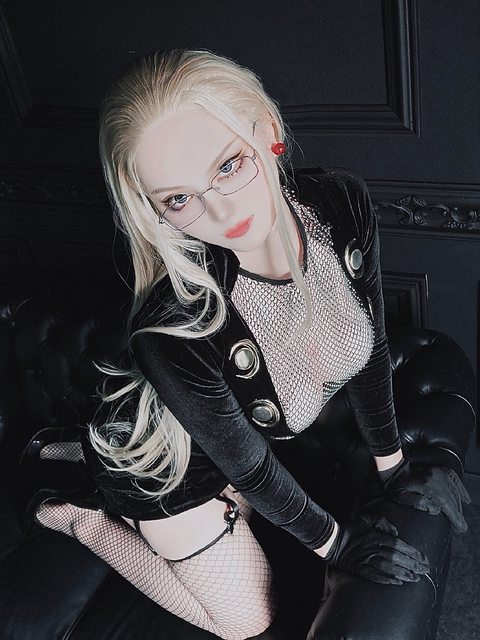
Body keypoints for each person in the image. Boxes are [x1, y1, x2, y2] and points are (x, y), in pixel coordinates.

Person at [25, 48, 470, 640]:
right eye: (178, 199)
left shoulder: (340, 203)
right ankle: (75, 512)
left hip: (225, 436)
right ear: (152, 210)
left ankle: (71, 449)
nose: (220, 210)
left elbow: (370, 350)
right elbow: (251, 468)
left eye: (230, 165)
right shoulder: (170, 326)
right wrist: (339, 546)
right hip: (170, 462)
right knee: (245, 621)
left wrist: (394, 468)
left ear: (267, 128)